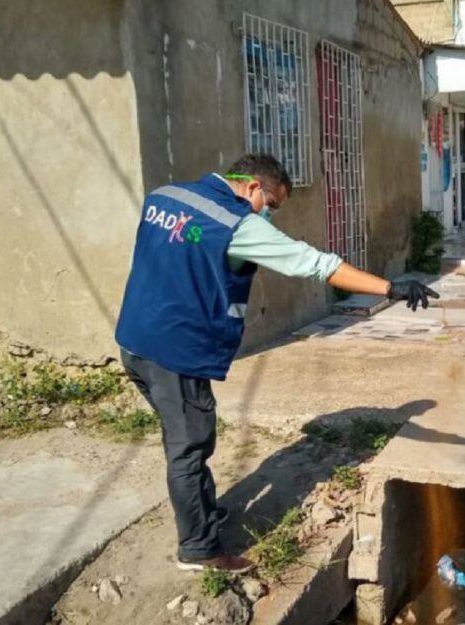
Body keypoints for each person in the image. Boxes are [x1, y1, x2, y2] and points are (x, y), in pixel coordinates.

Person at [114, 153, 438, 573]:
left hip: (134, 339)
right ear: (251, 187)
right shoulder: (237, 224)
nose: (271, 215)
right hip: (174, 351)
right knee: (189, 446)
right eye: (273, 206)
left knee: (185, 433)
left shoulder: (167, 195)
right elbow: (316, 264)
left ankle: (204, 510)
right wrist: (390, 287)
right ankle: (198, 549)